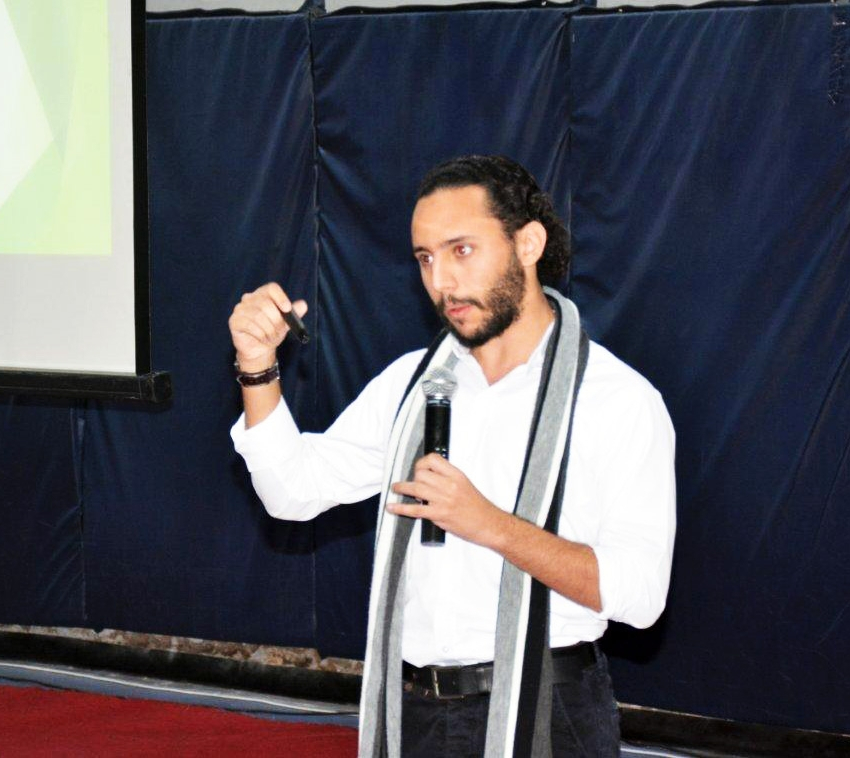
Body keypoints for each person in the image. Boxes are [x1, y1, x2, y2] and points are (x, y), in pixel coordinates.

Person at [228, 155, 676, 757]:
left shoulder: (614, 399)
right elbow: (293, 493)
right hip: (413, 713)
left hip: (549, 713)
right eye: (425, 258)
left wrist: (490, 525)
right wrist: (258, 367)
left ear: (528, 244)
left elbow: (641, 596)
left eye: (461, 250)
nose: (441, 281)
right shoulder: (409, 385)